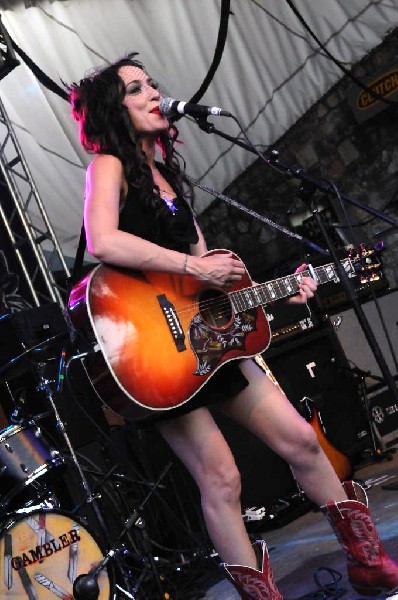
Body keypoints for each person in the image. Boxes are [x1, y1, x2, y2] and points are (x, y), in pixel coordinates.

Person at [69, 54, 398, 599]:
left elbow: (214, 283)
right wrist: (197, 267)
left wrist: (282, 289)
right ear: (113, 109)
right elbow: (102, 240)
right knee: (221, 478)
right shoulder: (107, 166)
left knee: (300, 440)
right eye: (136, 88)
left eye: (152, 83)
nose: (154, 93)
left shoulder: (167, 173)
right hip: (152, 348)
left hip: (205, 341)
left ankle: (366, 561)